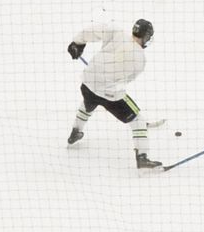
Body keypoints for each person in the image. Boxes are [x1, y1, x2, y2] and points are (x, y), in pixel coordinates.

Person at [66, 18, 161, 170]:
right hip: (109, 94)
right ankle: (142, 158)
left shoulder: (117, 32)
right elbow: (126, 80)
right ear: (146, 36)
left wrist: (77, 43)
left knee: (88, 101)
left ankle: (76, 131)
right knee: (138, 121)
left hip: (87, 83)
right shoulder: (140, 60)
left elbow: (92, 30)